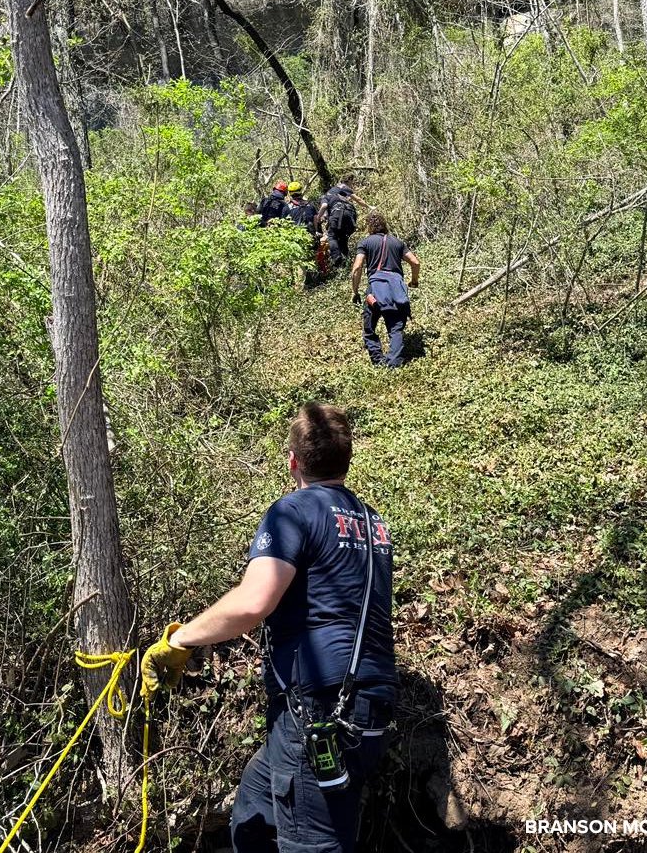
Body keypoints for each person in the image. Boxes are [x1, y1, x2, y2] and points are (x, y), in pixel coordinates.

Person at [141, 403, 396, 853]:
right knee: (255, 809)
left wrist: (178, 641)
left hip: (319, 708)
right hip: (368, 705)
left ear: (293, 460)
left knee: (314, 842)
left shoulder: (292, 512)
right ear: (347, 458)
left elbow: (253, 601)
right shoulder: (373, 523)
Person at [350, 212, 420, 369]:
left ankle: (378, 360)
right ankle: (394, 364)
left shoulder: (365, 243)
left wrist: (355, 291)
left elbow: (357, 267)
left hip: (374, 291)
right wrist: (414, 281)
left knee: (369, 329)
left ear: (369, 227)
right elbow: (415, 262)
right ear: (385, 225)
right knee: (396, 328)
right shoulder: (397, 242)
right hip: (396, 290)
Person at [317, 184, 358, 268]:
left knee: (332, 237)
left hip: (338, 213)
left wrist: (318, 218)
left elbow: (324, 207)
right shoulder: (340, 197)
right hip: (351, 215)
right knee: (343, 238)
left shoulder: (325, 198)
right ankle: (346, 263)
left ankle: (336, 257)